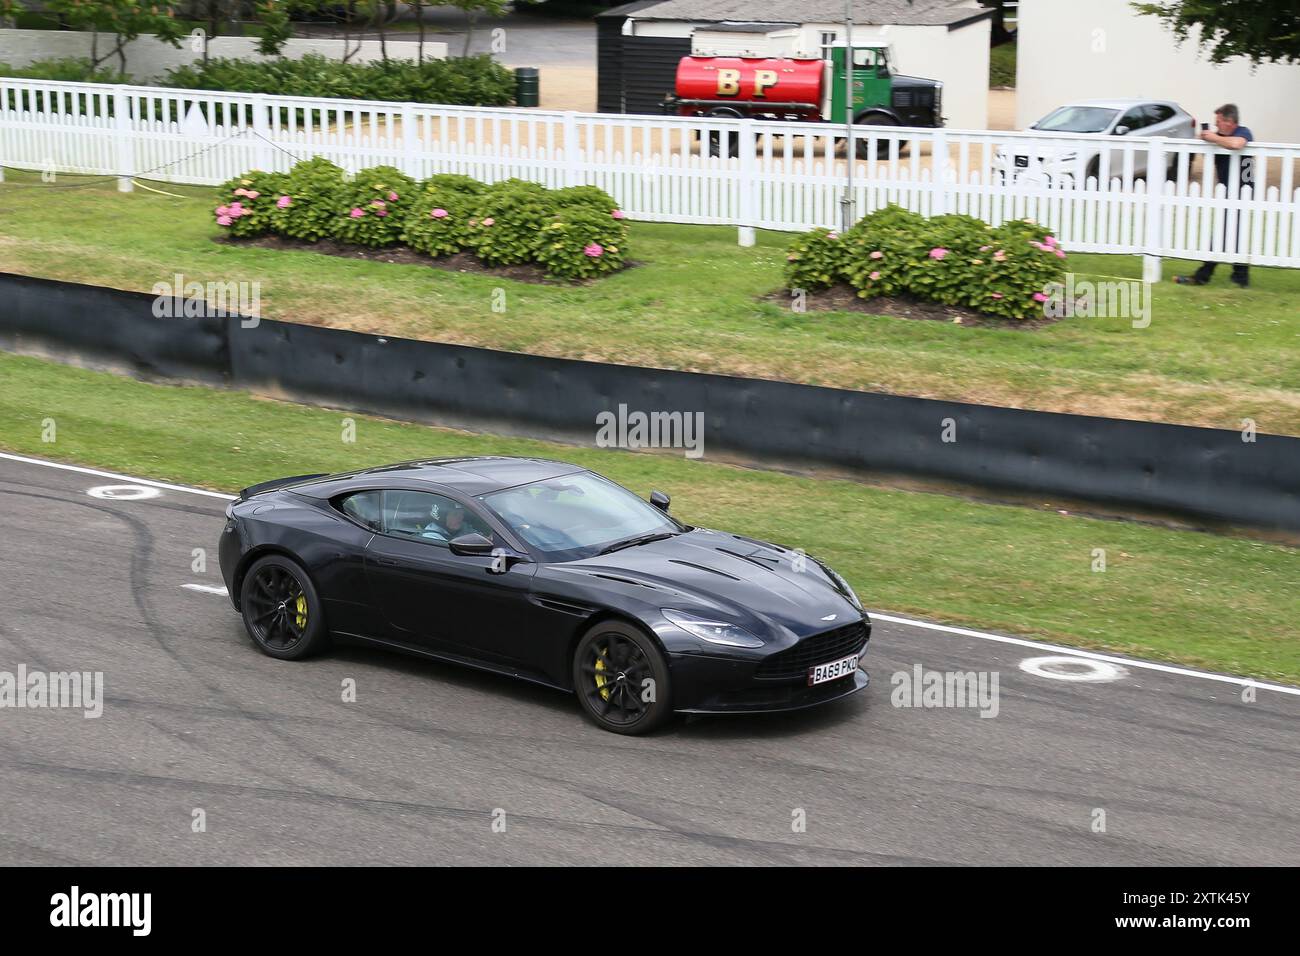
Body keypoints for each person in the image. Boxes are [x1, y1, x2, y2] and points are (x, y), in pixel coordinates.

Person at [1174, 104, 1255, 288]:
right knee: (1230, 233)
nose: (1216, 126)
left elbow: (1237, 144)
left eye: (1218, 122)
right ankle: (1237, 277)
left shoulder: (1244, 132)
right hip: (1228, 193)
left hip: (1243, 192)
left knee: (1226, 233)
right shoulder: (1221, 137)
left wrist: (1213, 137)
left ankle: (1207, 276)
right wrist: (1206, 138)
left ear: (1229, 121)